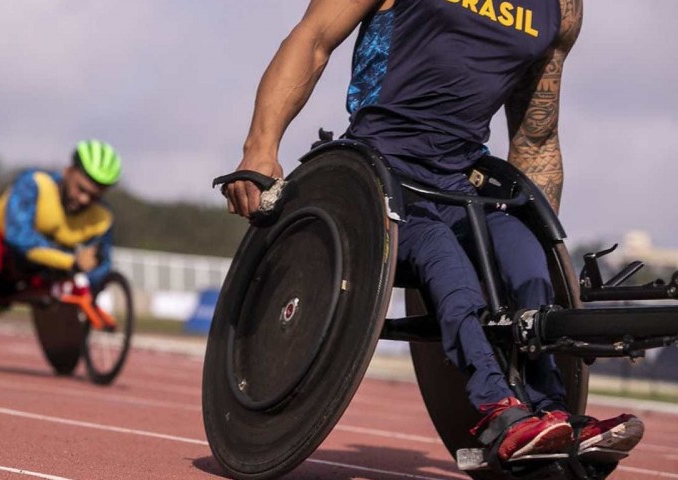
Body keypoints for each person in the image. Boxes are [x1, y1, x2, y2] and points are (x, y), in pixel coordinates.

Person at [224, 0, 643, 464]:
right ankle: (500, 412)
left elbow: (535, 138)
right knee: (449, 267)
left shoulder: (559, 7)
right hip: (376, 176)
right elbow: (313, 38)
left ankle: (555, 417)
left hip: (460, 185)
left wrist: (548, 259)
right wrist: (259, 148)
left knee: (527, 264)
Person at [0, 139, 121, 295]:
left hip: (48, 269)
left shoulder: (102, 218)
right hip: (0, 250)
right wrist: (71, 261)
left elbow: (99, 266)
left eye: (94, 196)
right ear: (68, 171)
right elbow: (18, 237)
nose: (84, 199)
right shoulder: (35, 184)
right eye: (81, 189)